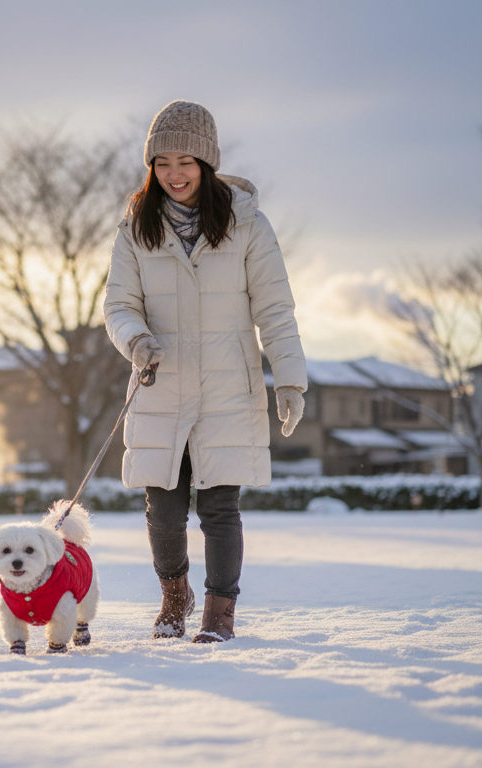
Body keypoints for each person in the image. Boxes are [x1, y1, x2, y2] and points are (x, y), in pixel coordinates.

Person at [104, 100, 307, 643]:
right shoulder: (135, 228)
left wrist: (289, 378)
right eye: (163, 162)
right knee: (164, 508)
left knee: (220, 505)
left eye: (186, 161)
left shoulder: (247, 225)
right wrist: (136, 339)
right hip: (159, 382)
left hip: (227, 386)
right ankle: (175, 595)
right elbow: (118, 306)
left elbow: (275, 309)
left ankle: (220, 611)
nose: (174, 173)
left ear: (208, 163)